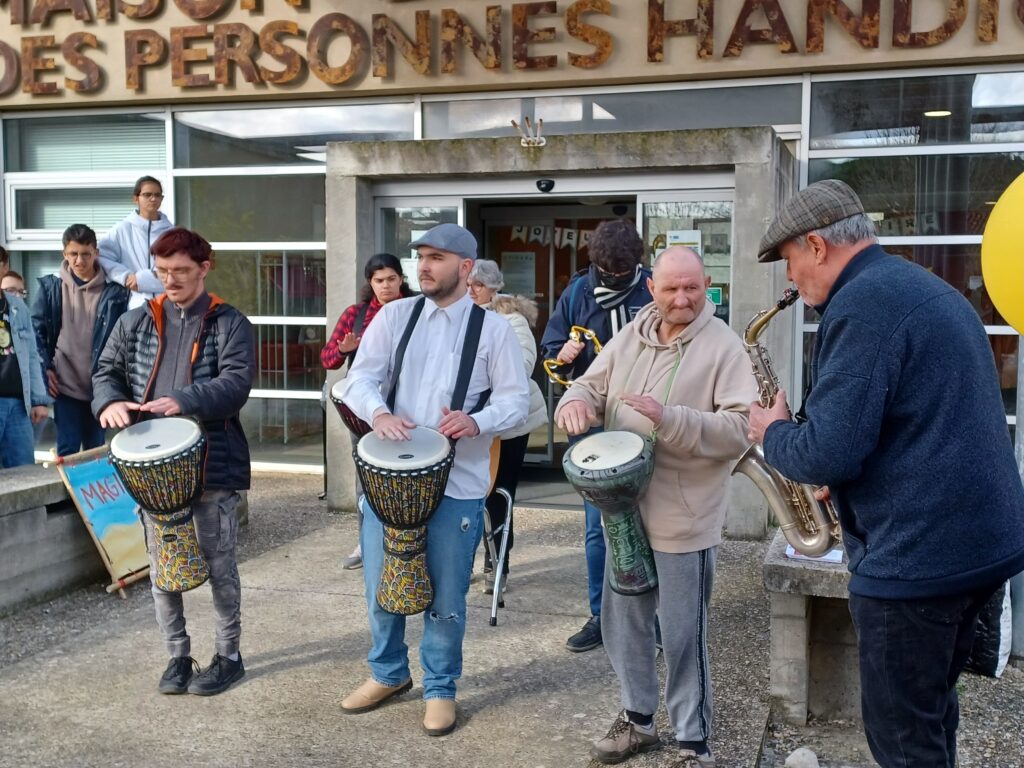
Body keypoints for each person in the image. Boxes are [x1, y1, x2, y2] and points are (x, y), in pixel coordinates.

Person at [746, 180, 1024, 768]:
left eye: (790, 263)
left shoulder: (863, 305)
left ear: (817, 246)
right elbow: (922, 424)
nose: (790, 281)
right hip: (977, 547)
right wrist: (847, 483)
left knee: (900, 739)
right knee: (930, 714)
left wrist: (771, 430)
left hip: (919, 560)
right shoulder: (923, 286)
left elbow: (825, 452)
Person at [556, 246, 752, 767]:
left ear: (706, 284)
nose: (683, 298)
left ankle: (693, 740)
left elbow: (739, 429)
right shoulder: (632, 334)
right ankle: (638, 721)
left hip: (684, 516)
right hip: (622, 513)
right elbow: (588, 384)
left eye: (692, 287)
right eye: (671, 288)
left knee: (684, 634)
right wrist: (574, 402)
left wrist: (670, 418)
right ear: (652, 289)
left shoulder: (724, 346)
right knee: (625, 624)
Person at [339, 223, 529, 736]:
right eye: (420, 256)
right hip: (388, 481)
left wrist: (477, 421)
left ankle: (441, 686)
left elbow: (517, 399)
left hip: (458, 482)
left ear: (465, 269)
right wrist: (378, 414)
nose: (423, 266)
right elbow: (358, 379)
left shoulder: (493, 330)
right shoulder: (395, 316)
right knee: (382, 585)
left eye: (437, 257)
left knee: (446, 595)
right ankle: (388, 673)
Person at [93, 227, 256, 697]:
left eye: (181, 271)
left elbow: (235, 384)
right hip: (152, 472)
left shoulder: (230, 323)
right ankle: (177, 656)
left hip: (210, 466)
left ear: (204, 268)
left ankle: (229, 656)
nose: (170, 280)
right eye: (162, 272)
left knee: (219, 566)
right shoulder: (136, 320)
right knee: (164, 571)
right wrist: (108, 403)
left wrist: (182, 400)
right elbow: (106, 372)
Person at [540, 219, 653, 653]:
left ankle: (649, 617)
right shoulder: (578, 293)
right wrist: (563, 355)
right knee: (596, 527)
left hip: (645, 421)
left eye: (625, 273)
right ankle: (601, 616)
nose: (617, 279)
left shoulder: (654, 290)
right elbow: (552, 357)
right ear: (597, 265)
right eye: (609, 273)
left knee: (650, 522)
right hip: (593, 424)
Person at [322, 252, 415, 570]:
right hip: (365, 413)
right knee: (367, 478)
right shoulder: (357, 315)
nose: (386, 285)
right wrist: (344, 349)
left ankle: (411, 545)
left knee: (410, 477)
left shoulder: (419, 310)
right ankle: (367, 542)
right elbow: (327, 359)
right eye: (379, 280)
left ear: (401, 279)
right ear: (370, 283)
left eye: (391, 279)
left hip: (412, 410)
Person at [467, 259, 548, 593]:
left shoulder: (511, 320)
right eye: (468, 283)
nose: (471, 290)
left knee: (498, 495)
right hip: (469, 423)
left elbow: (523, 366)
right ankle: (463, 560)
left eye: (478, 285)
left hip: (507, 424)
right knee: (467, 494)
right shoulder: (458, 316)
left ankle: (496, 565)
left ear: (494, 287)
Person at [31, 225, 129, 457]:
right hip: (64, 384)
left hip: (100, 386)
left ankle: (92, 495)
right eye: (73, 254)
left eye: (85, 253)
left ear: (96, 253)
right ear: (64, 254)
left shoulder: (115, 292)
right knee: (67, 450)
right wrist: (46, 368)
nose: (79, 260)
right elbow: (37, 332)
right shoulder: (51, 287)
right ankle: (66, 495)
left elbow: (124, 339)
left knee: (97, 452)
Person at [0, 247, 51, 468]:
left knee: (23, 470)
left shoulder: (18, 307)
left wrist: (39, 400)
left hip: (19, 404)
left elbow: (32, 355)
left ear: (5, 267)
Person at [98, 175, 173, 309]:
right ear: (136, 198)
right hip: (134, 307)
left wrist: (142, 279)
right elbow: (101, 256)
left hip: (169, 306)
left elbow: (177, 272)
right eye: (147, 194)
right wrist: (125, 277)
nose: (153, 198)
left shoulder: (172, 232)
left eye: (157, 195)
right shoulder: (123, 228)